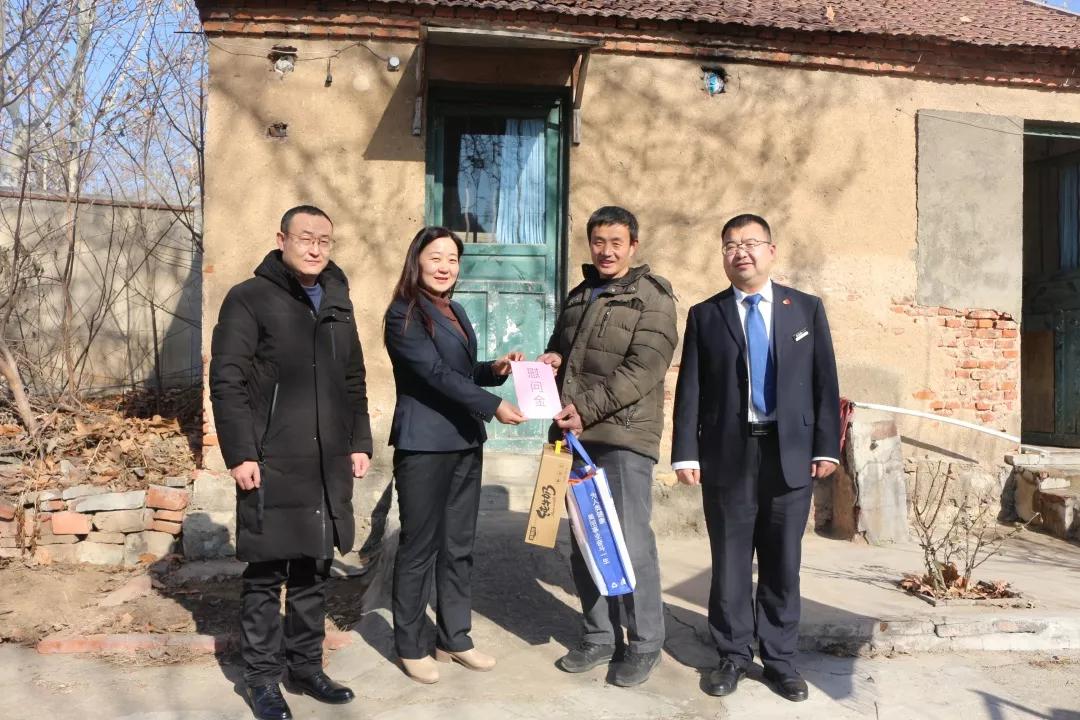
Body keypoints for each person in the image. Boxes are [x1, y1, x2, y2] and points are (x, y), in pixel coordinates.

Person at [210, 205, 371, 720]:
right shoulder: (249, 298)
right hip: (270, 458)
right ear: (282, 239)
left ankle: (305, 667)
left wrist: (359, 442)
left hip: (326, 460)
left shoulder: (337, 301)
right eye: (305, 238)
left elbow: (353, 381)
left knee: (313, 569)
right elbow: (227, 381)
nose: (315, 248)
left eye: (324, 240)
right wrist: (240, 453)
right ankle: (262, 679)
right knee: (265, 574)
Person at [671, 213, 840, 702]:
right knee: (729, 562)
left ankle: (781, 660)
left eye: (750, 243)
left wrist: (826, 445)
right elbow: (691, 388)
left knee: (783, 562)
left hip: (790, 453)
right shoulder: (706, 315)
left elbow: (825, 383)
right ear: (723, 255)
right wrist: (685, 453)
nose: (740, 252)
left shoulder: (805, 309)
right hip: (729, 453)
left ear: (771, 251)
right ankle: (732, 655)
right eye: (730, 245)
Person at [538, 205, 678, 688]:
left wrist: (586, 408)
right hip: (574, 437)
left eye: (616, 242)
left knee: (628, 541)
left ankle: (644, 643)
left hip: (623, 436)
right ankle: (599, 636)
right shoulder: (580, 294)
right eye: (599, 241)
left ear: (633, 245)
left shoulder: (652, 297)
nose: (607, 251)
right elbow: (563, 348)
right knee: (584, 540)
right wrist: (553, 358)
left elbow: (644, 368)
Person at [384, 226, 526, 684]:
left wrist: (494, 370)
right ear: (417, 261)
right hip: (424, 445)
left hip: (465, 441)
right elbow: (433, 374)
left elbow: (460, 371)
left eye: (452, 259)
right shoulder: (403, 313)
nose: (445, 267)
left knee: (459, 547)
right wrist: (493, 405)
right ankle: (410, 646)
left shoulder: (456, 310)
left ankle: (454, 639)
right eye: (436, 257)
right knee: (419, 547)